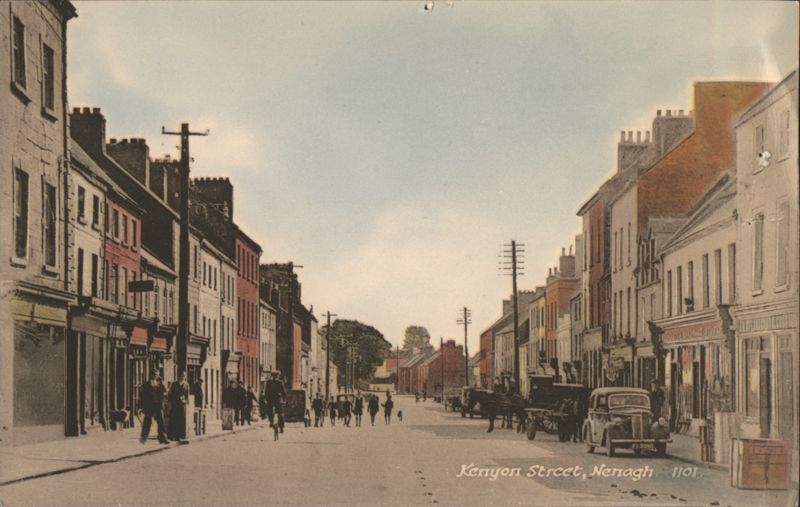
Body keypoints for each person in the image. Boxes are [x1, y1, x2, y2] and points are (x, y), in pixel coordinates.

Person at [139, 374, 168, 444]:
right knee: (147, 423)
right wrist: (142, 407)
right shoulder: (146, 384)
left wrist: (162, 383)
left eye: (157, 374)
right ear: (151, 375)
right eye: (154, 374)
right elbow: (142, 396)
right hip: (149, 406)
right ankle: (143, 440)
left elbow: (165, 391)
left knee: (161, 422)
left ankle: (162, 438)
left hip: (158, 406)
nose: (155, 376)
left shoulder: (159, 383)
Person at [167, 372, 190, 442]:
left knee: (181, 420)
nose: (182, 377)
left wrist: (185, 401)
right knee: (174, 419)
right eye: (181, 376)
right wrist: (171, 402)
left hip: (182, 405)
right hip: (175, 404)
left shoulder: (186, 385)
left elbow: (187, 395)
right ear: (178, 377)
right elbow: (170, 394)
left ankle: (180, 435)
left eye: (183, 376)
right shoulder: (174, 384)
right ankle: (172, 436)